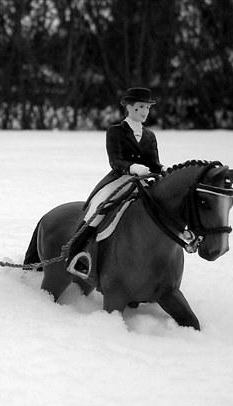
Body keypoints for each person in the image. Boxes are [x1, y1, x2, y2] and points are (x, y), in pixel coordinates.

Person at [66, 87, 165, 283]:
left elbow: (154, 162)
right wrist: (132, 168)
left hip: (143, 180)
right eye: (140, 107)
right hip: (120, 179)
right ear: (129, 107)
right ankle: (76, 254)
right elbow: (115, 160)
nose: (144, 111)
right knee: (100, 208)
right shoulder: (115, 131)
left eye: (147, 107)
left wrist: (162, 169)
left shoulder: (150, 136)